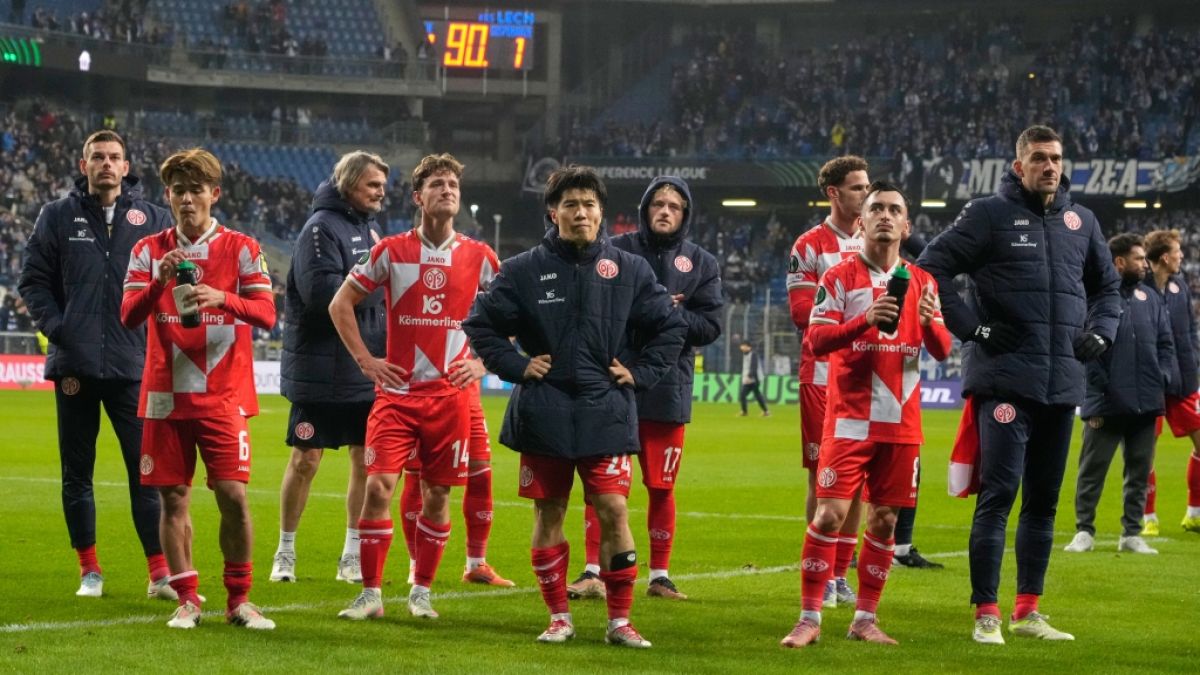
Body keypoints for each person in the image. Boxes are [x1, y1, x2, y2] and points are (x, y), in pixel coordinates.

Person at [464, 165, 687, 647]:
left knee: (613, 510)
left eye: (588, 204)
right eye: (570, 204)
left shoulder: (629, 269)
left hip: (605, 408)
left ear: (602, 212)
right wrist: (516, 365)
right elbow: (479, 324)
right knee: (549, 512)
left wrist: (641, 373)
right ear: (554, 212)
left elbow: (671, 327)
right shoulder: (523, 269)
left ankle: (619, 621)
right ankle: (559, 616)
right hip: (544, 411)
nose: (580, 212)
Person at [917, 125, 1121, 644]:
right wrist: (974, 329)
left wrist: (1102, 330)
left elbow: (1108, 288)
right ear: (1018, 166)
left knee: (1045, 503)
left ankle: (1027, 610)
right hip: (1005, 381)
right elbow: (930, 269)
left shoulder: (1083, 221)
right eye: (1038, 158)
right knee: (1000, 496)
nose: (1049, 166)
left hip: (1062, 384)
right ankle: (986, 611)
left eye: (1055, 158)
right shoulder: (988, 215)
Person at [780, 182, 952, 648]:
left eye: (895, 209)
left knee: (885, 523)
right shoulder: (838, 277)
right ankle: (810, 617)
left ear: (906, 225)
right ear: (862, 221)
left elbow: (942, 348)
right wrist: (866, 320)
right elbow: (815, 341)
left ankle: (865, 619)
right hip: (849, 420)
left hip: (901, 422)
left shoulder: (923, 281)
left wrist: (932, 318)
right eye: (876, 207)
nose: (885, 216)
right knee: (830, 516)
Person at [329, 153, 500, 622]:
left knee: (439, 495)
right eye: (438, 184)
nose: (448, 190)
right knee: (379, 487)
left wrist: (483, 362)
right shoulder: (390, 250)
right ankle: (369, 594)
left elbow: (517, 314)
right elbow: (340, 304)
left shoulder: (480, 255)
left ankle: (421, 591)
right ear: (418, 196)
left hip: (449, 400)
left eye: (453, 185)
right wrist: (367, 361)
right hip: (398, 397)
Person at [120, 147, 278, 630]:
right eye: (178, 191)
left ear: (215, 193)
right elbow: (128, 316)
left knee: (232, 494)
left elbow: (268, 314)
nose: (187, 199)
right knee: (172, 498)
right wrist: (157, 284)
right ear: (168, 196)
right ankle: (187, 598)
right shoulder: (148, 251)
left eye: (196, 190)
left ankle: (239, 600)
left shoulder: (243, 248)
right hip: (165, 393)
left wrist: (223, 299)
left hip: (223, 394)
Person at [18, 130, 174, 600]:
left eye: (114, 157)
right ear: (83, 164)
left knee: (145, 472)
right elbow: (33, 281)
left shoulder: (153, 219)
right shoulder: (57, 216)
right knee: (77, 473)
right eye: (98, 157)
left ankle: (159, 573)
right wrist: (61, 327)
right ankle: (89, 570)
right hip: (75, 365)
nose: (106, 164)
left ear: (126, 167)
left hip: (133, 364)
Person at [567, 176, 723, 601]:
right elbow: (596, 307)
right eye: (658, 203)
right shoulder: (615, 251)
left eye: (674, 205)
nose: (665, 211)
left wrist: (672, 315)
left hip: (669, 388)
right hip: (616, 382)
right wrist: (651, 310)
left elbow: (710, 325)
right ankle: (592, 570)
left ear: (685, 214)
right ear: (645, 208)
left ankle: (659, 575)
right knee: (602, 484)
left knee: (662, 486)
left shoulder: (701, 263)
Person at [271, 151, 389, 584]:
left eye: (382, 185)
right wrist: (377, 289)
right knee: (306, 460)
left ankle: (351, 555)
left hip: (364, 367)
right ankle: (285, 551)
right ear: (350, 184)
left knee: (364, 461)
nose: (381, 193)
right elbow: (323, 294)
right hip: (320, 369)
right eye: (373, 184)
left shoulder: (370, 228)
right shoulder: (319, 229)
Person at [785, 156, 869, 605]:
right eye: (857, 188)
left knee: (860, 483)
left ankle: (839, 574)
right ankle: (820, 570)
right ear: (833, 193)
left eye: (868, 187)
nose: (866, 195)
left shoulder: (876, 240)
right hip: (821, 377)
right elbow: (803, 314)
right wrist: (860, 314)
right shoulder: (810, 245)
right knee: (824, 476)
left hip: (867, 377)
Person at [1064, 234, 1172, 556]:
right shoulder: (1093, 298)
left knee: (1139, 470)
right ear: (1119, 262)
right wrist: (1097, 388)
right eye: (1138, 259)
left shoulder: (1150, 298)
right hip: (1104, 401)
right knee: (1092, 471)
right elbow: (1083, 347)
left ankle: (1132, 533)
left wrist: (1162, 376)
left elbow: (1166, 344)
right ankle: (1084, 530)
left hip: (1146, 399)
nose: (1144, 264)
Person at [1140, 229, 1200, 535]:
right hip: (1150, 383)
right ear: (1165, 257)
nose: (1181, 256)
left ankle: (1194, 513)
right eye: (1177, 252)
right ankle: (1148, 519)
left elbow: (1189, 331)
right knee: (1145, 451)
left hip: (1183, 380)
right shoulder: (1138, 289)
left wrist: (1193, 367)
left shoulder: (1179, 286)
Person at [738, 340, 769, 417]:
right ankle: (766, 411)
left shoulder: (753, 354)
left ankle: (745, 412)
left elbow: (754, 366)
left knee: (743, 394)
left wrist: (750, 375)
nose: (742, 347)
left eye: (744, 345)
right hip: (749, 379)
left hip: (754, 378)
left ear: (749, 347)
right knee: (756, 395)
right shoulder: (744, 355)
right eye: (742, 345)